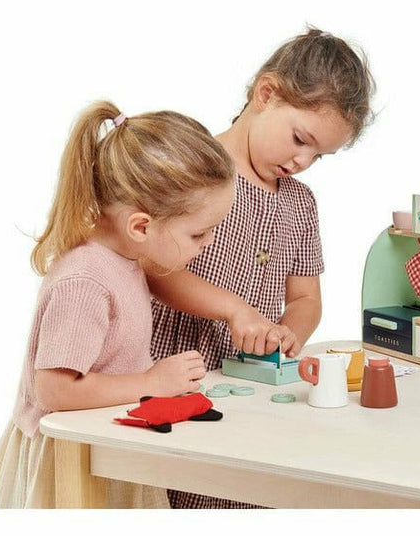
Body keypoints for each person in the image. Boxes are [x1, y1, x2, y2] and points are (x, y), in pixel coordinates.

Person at [149, 28, 376, 508]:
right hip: (166, 369)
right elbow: (152, 270)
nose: (303, 160)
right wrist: (234, 310)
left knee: (241, 490)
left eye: (319, 155)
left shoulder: (299, 204)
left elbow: (305, 298)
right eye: (300, 139)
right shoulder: (193, 168)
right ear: (266, 94)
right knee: (171, 490)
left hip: (245, 384)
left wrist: (288, 334)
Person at [0, 100, 242, 508]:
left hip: (106, 442)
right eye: (198, 234)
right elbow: (55, 390)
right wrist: (152, 383)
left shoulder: (126, 259)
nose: (208, 243)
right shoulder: (85, 281)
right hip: (71, 461)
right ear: (141, 226)